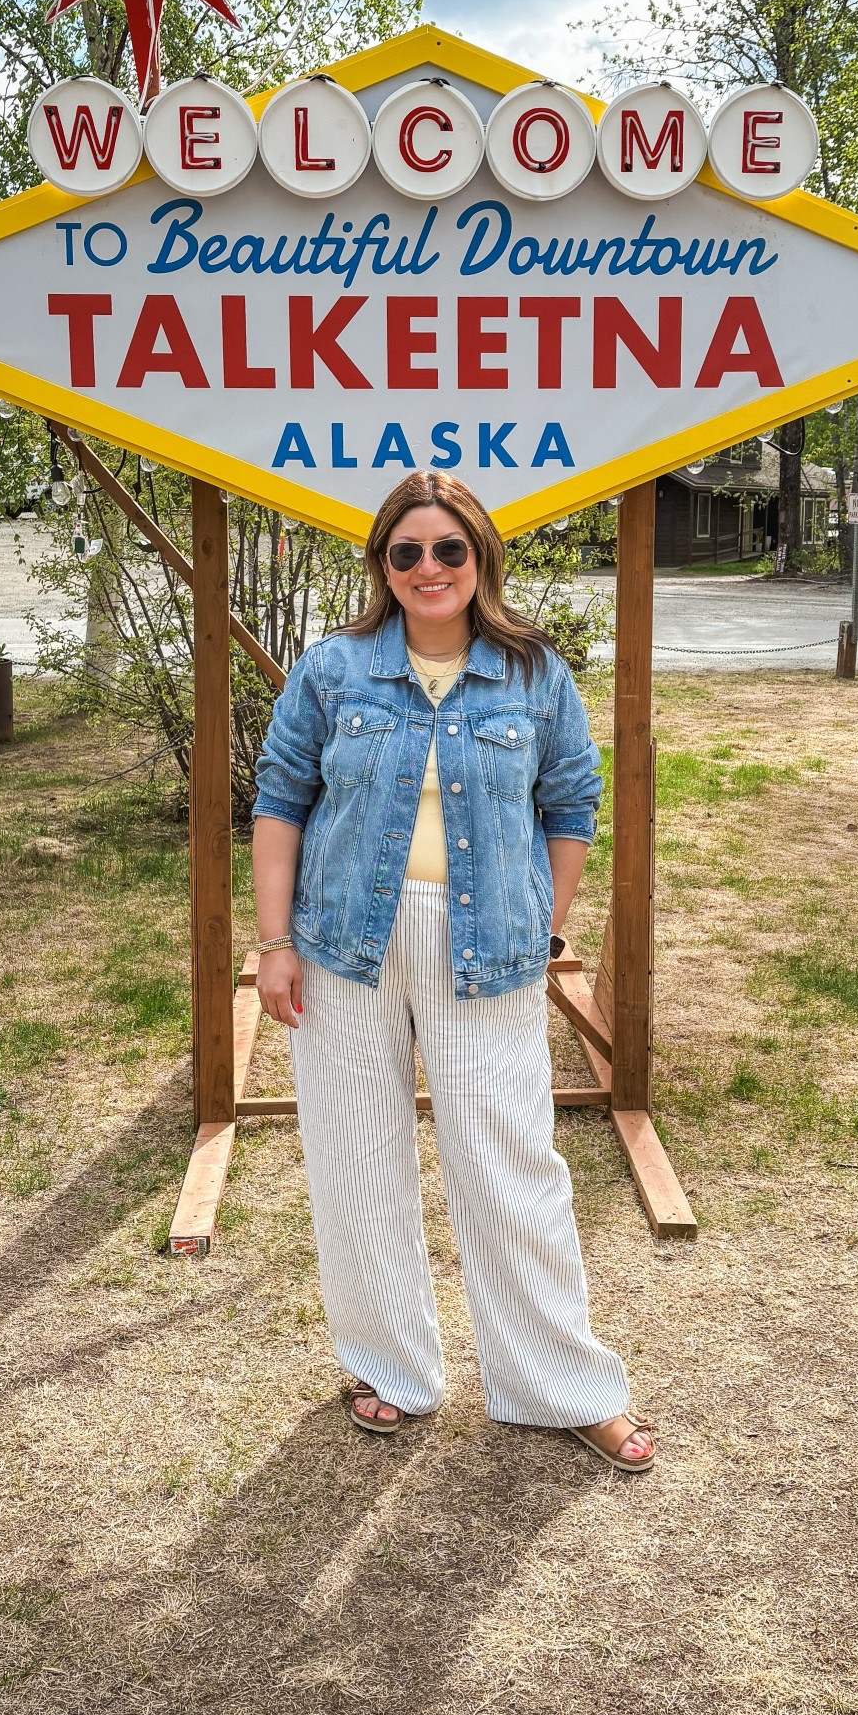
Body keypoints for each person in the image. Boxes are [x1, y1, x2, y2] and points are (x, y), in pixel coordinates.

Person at [250, 471, 655, 1474]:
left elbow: (571, 806)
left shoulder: (533, 672)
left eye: (448, 549)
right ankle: (390, 1366)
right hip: (344, 945)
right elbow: (279, 801)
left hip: (487, 947)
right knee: (355, 1160)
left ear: (480, 557)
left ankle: (563, 1385)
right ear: (383, 566)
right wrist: (274, 943)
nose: (428, 568)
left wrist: (539, 924)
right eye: (407, 552)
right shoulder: (334, 668)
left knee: (511, 1168)